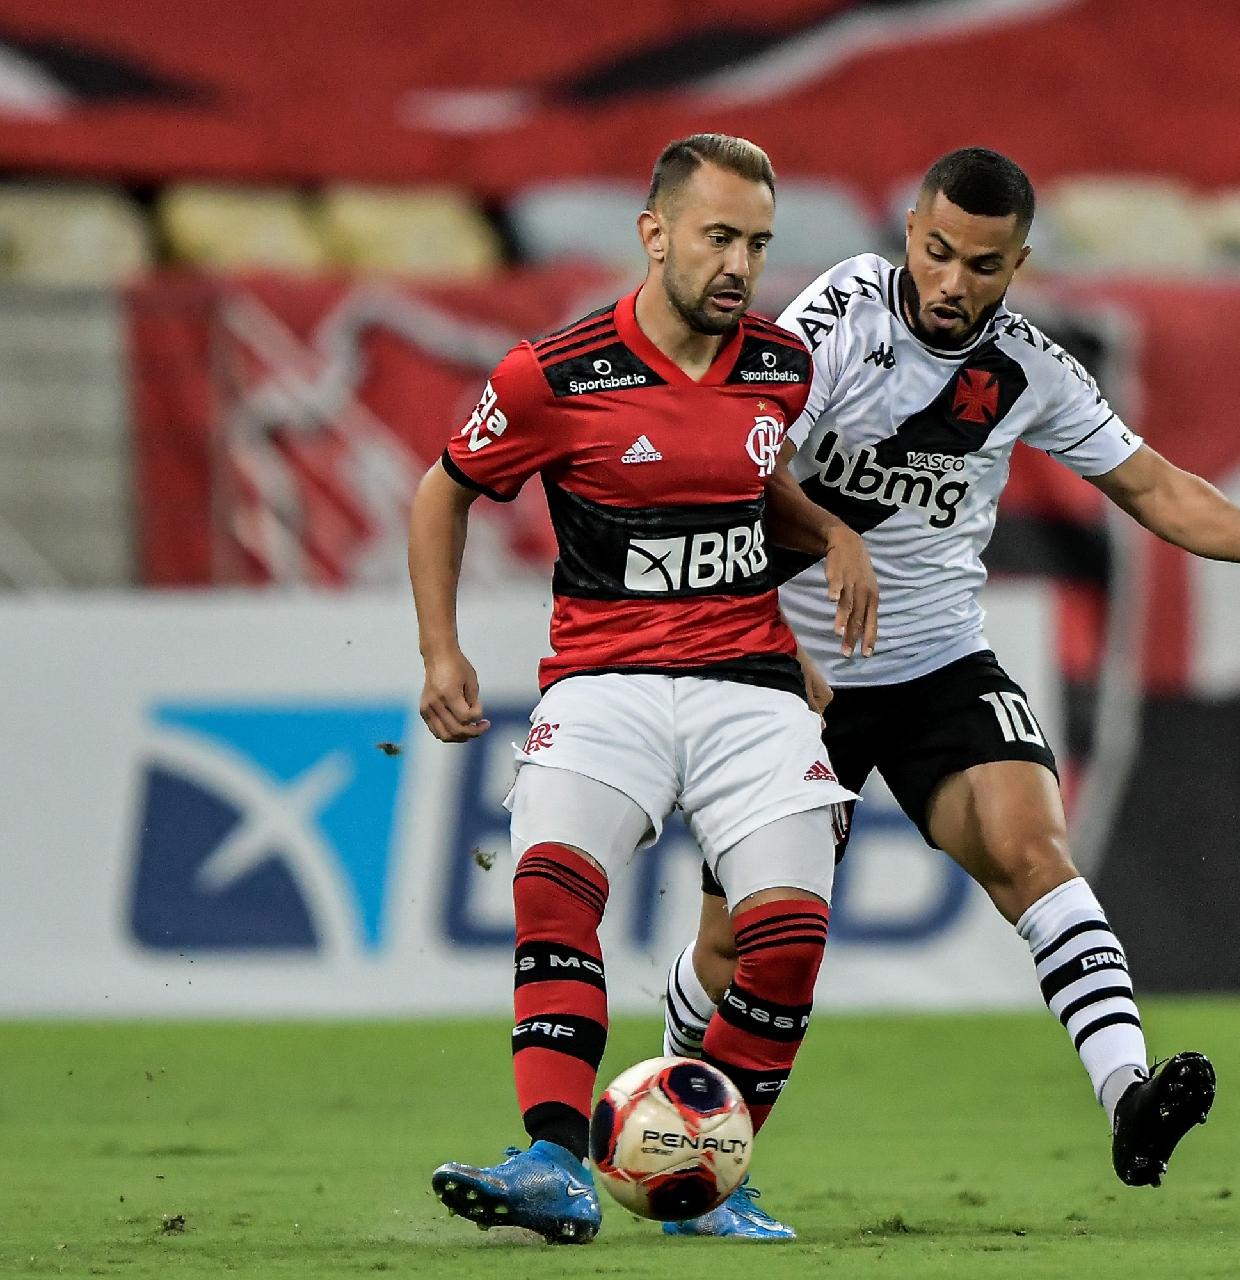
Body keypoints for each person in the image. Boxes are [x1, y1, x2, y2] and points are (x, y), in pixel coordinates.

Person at [657, 147, 1240, 1236]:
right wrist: (806, 574)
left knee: (1035, 850)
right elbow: (746, 466)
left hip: (936, 662)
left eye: (980, 264)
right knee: (739, 947)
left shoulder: (1031, 369)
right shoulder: (839, 315)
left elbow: (1151, 483)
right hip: (797, 671)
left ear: (1017, 263)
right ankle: (679, 1118)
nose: (950, 282)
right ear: (909, 233)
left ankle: (1129, 1094)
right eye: (934, 251)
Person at [408, 133, 877, 1245]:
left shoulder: (779, 366)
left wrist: (826, 531)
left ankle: (716, 1178)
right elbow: (444, 489)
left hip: (748, 685)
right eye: (718, 236)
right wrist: (441, 649)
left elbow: (752, 485)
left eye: (758, 243)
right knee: (555, 889)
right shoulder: (552, 374)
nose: (739, 265)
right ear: (653, 233)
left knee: (788, 932)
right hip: (604, 678)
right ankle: (553, 1162)